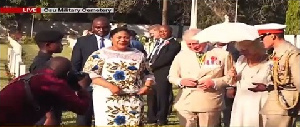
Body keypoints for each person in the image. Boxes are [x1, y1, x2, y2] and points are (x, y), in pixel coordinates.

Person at [82, 27, 154, 126]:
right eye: (119, 37)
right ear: (111, 38)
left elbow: (148, 74)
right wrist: (110, 86)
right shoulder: (100, 54)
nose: (122, 40)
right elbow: (92, 75)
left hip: (132, 98)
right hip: (108, 97)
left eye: (126, 37)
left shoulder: (138, 55)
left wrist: (147, 86)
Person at [168, 29, 234, 127]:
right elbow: (171, 76)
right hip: (186, 101)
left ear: (204, 40)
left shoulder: (222, 54)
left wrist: (214, 82)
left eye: (195, 43)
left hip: (210, 101)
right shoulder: (181, 55)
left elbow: (231, 77)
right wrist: (181, 81)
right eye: (189, 44)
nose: (193, 47)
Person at [0, 57, 91, 126]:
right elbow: (81, 108)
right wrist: (83, 88)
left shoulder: (31, 75)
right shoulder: (55, 83)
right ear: (67, 74)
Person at [254, 23, 300, 127]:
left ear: (272, 36)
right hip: (275, 100)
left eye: (262, 37)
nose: (261, 41)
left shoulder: (292, 53)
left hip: (286, 102)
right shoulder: (277, 53)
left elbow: (298, 80)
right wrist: (267, 87)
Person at [71, 16, 112, 126]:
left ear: (110, 26)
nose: (101, 30)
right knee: (84, 116)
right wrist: (77, 85)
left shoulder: (117, 40)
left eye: (105, 27)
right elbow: (75, 64)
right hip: (88, 85)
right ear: (92, 28)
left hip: (111, 85)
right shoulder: (82, 42)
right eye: (98, 27)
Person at [228, 39, 270, 127]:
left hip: (260, 102)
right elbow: (235, 81)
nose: (244, 53)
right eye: (241, 51)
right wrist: (233, 76)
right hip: (241, 102)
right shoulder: (241, 60)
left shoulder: (269, 62)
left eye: (246, 51)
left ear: (256, 49)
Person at [29, 30, 64, 125]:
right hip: (45, 115)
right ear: (48, 45)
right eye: (59, 42)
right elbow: (42, 92)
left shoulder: (48, 61)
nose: (62, 45)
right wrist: (49, 116)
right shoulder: (42, 65)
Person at [148, 25, 181, 125]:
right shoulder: (159, 43)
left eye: (164, 32)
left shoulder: (174, 44)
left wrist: (152, 66)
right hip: (152, 73)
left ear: (170, 32)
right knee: (151, 95)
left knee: (162, 96)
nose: (162, 33)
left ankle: (162, 118)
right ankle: (151, 117)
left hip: (163, 72)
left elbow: (167, 58)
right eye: (160, 31)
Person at [214, 42, 240, 127]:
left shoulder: (235, 48)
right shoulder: (209, 49)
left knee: (228, 111)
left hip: (227, 85)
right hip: (213, 86)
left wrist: (230, 87)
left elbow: (234, 68)